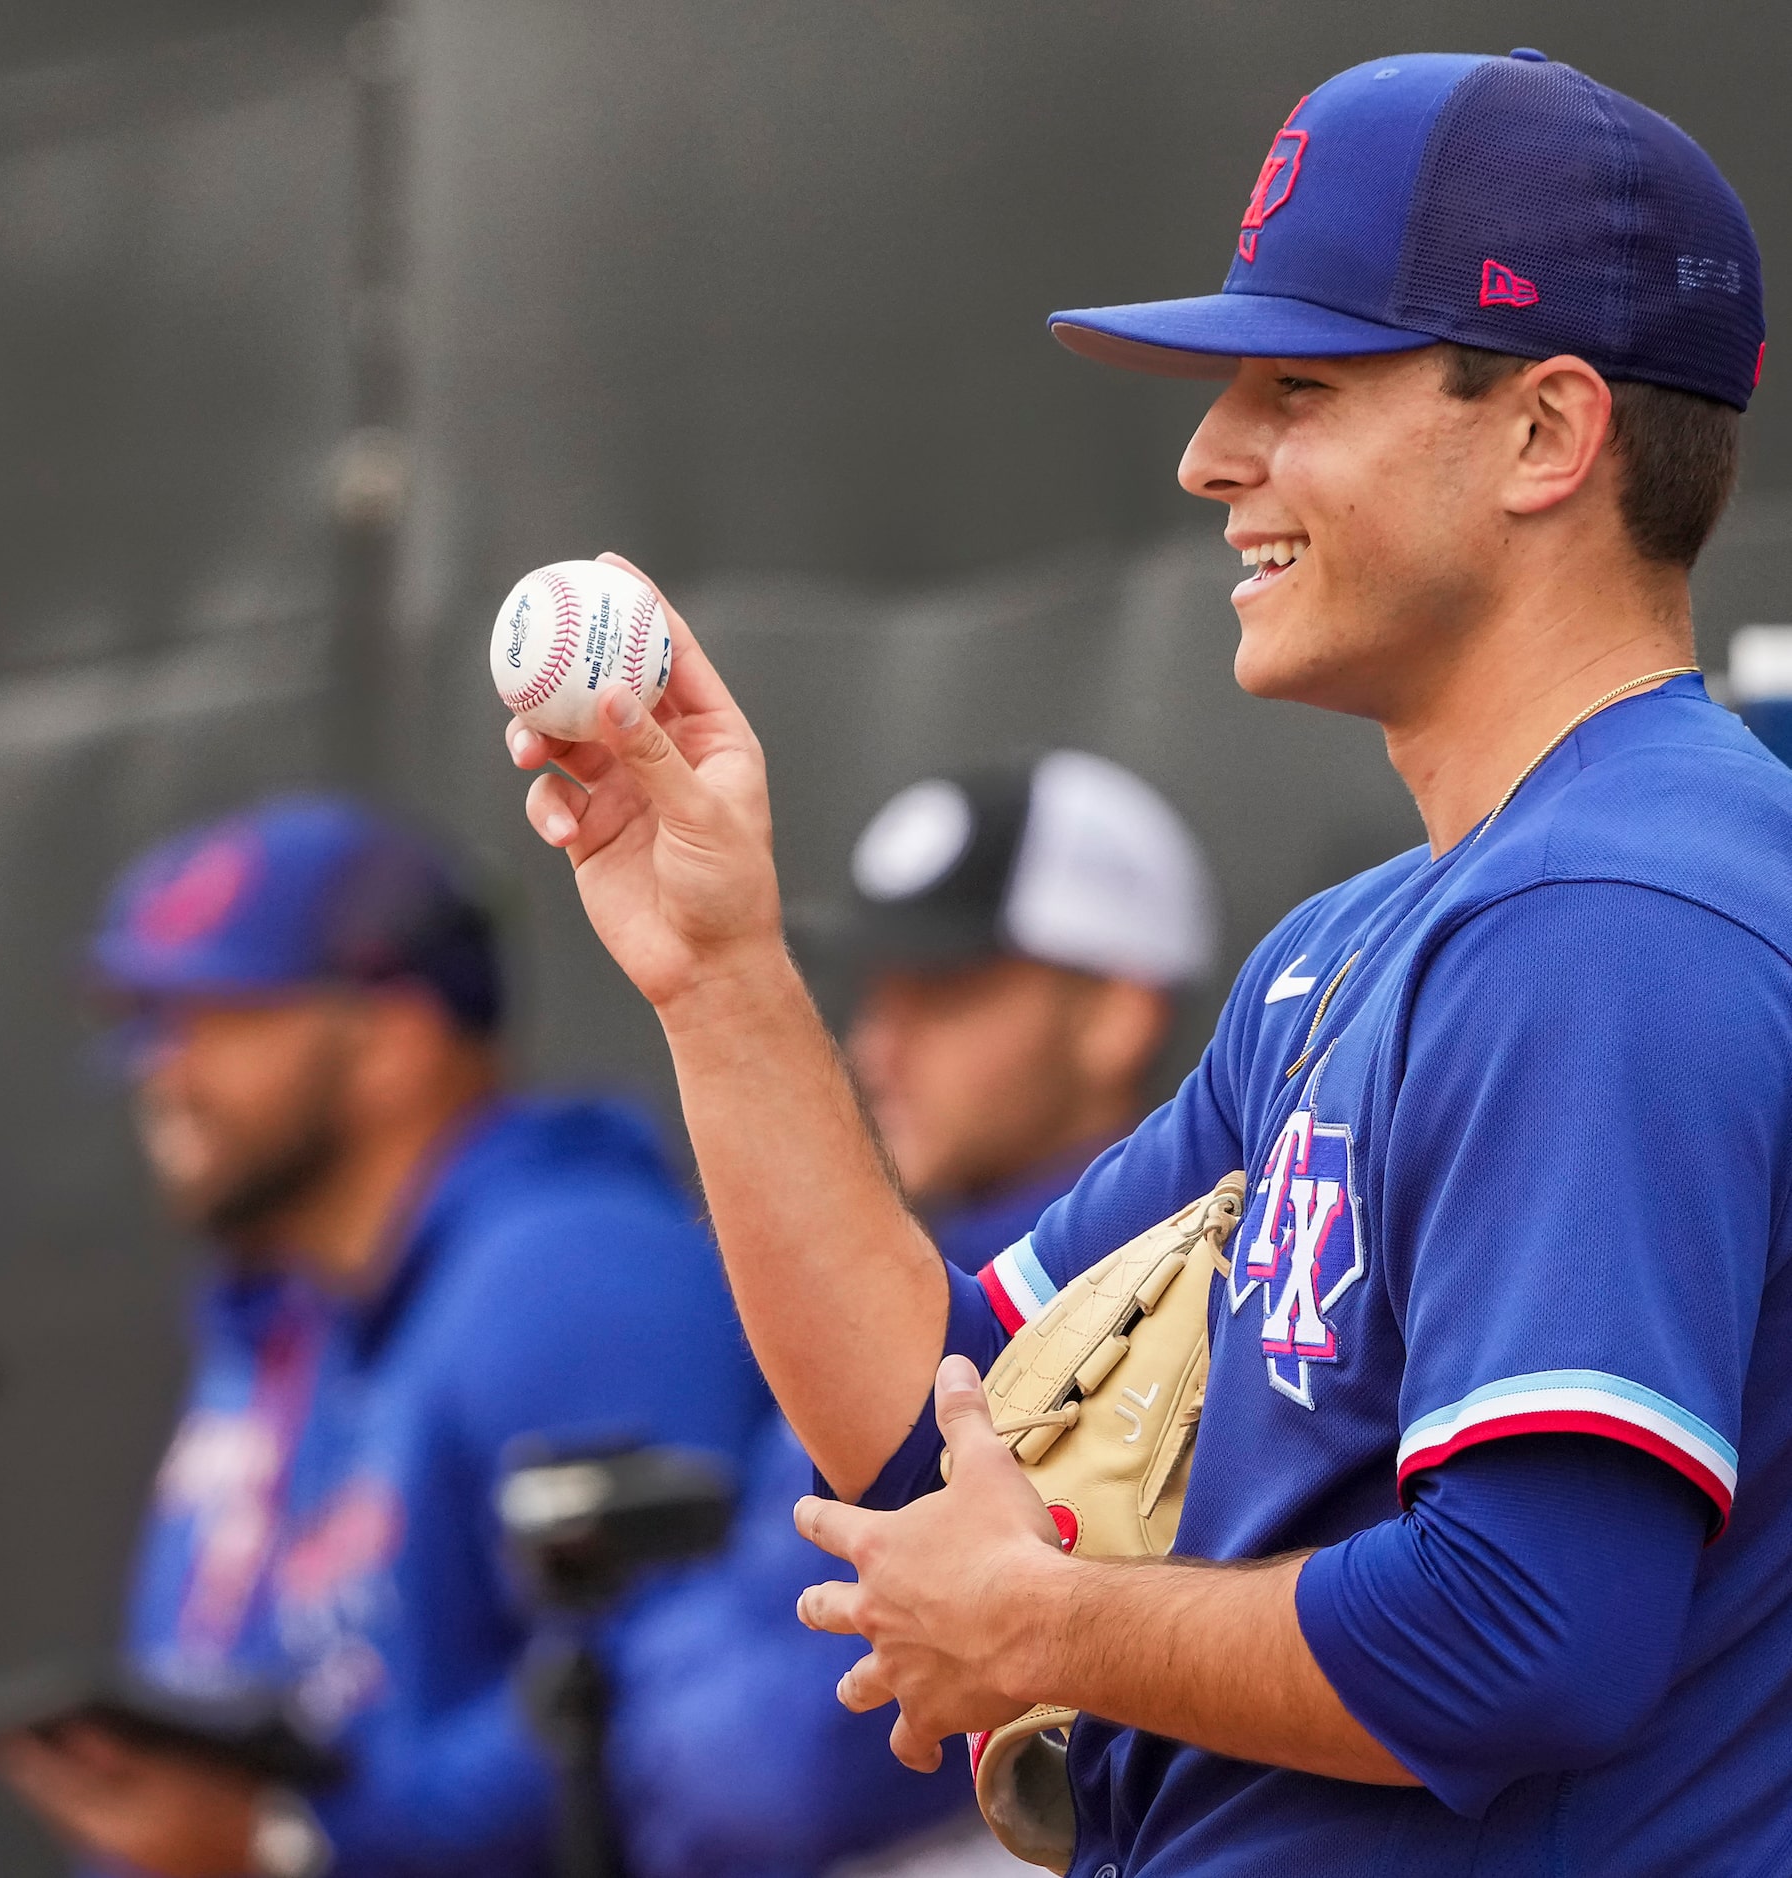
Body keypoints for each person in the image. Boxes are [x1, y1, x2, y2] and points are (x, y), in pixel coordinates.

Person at [504, 48, 1789, 1878]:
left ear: (1543, 433)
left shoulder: (1607, 917)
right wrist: (714, 968)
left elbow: (1528, 1633)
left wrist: (1043, 1626)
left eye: (1294, 386)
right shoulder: (1356, 946)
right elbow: (940, 1409)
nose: (1207, 456)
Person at [0, 793, 770, 1878]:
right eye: (151, 1024)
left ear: (394, 1040)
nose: (159, 1068)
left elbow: (686, 1701)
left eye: (218, 1017)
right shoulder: (287, 1315)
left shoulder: (571, 1271)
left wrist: (286, 1846)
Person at [608, 754, 1212, 1877]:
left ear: (1116, 1016)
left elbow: (776, 1784)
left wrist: (663, 1702)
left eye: (944, 992)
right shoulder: (888, 1277)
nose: (881, 1042)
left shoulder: (1165, 1304)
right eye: (877, 993)